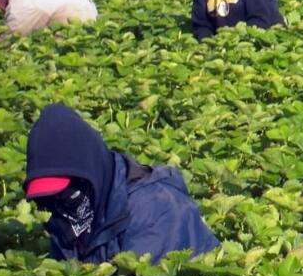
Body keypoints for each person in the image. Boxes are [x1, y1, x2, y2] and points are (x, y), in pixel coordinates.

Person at [23, 103, 219, 265]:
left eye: (62, 192)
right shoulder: (77, 215)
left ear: (87, 175)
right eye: (46, 199)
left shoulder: (156, 211)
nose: (56, 203)